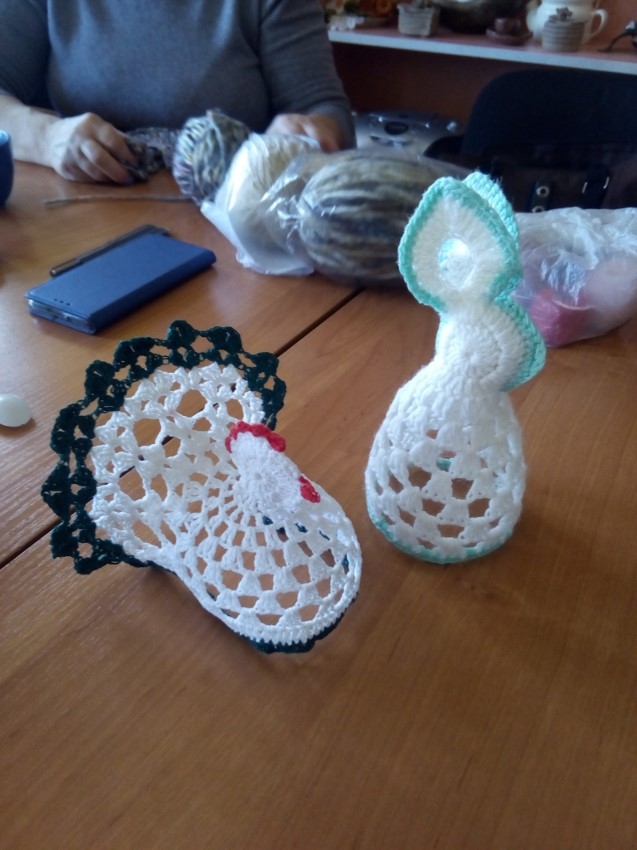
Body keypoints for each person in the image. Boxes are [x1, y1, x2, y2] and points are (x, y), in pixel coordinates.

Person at [0, 0, 355, 184]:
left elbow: (323, 108)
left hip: (231, 242)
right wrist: (48, 138)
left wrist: (309, 131)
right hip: (73, 226)